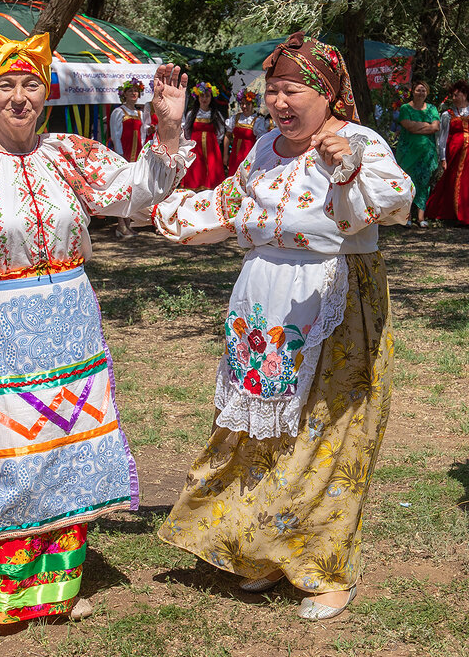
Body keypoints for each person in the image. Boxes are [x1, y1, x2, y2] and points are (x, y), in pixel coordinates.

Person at [0, 26, 193, 624]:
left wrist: (170, 126)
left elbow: (138, 192)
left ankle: (56, 585)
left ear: (45, 93)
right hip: (1, 325)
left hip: (70, 319)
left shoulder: (70, 154)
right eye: (6, 86)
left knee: (61, 449)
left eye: (31, 84)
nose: (20, 96)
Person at [148, 33, 413, 620]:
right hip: (263, 311)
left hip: (334, 305)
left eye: (293, 91)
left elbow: (393, 201)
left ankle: (324, 570)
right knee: (262, 436)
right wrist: (152, 180)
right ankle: (264, 553)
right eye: (273, 92)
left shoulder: (361, 143)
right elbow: (221, 209)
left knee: (327, 439)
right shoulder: (266, 148)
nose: (280, 103)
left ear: (328, 94)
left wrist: (343, 167)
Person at [109, 76, 152, 237]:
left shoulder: (140, 113)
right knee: (122, 189)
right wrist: (120, 156)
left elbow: (141, 136)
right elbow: (115, 134)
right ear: (124, 94)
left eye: (136, 91)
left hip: (137, 154)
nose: (134, 93)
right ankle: (120, 225)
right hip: (123, 154)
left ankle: (128, 223)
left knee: (133, 190)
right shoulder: (118, 112)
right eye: (130, 91)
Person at [395, 80, 439, 227]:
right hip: (408, 153)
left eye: (424, 90)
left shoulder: (432, 108)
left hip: (426, 154)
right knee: (407, 183)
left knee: (423, 183)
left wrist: (417, 127)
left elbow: (436, 127)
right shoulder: (405, 108)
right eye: (419, 90)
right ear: (413, 92)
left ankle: (421, 218)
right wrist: (427, 125)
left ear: (427, 93)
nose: (421, 93)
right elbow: (408, 126)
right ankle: (406, 217)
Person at [425, 79, 469, 225]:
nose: (454, 98)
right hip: (454, 153)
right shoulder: (447, 114)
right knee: (453, 181)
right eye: (452, 95)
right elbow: (442, 137)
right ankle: (451, 214)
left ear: (465, 94)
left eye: (456, 95)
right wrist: (443, 157)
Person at [180, 81, 225, 190]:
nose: (204, 99)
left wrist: (214, 144)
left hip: (211, 149)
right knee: (196, 170)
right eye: (202, 96)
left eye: (207, 96)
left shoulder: (215, 114)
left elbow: (220, 132)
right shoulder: (192, 114)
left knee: (212, 171)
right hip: (196, 148)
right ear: (198, 97)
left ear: (211, 98)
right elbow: (186, 131)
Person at [224, 89, 264, 177]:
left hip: (248, 156)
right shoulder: (235, 118)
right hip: (235, 154)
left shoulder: (257, 121)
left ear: (253, 105)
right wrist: (225, 154)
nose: (244, 106)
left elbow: (260, 141)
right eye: (242, 103)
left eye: (248, 104)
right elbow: (227, 135)